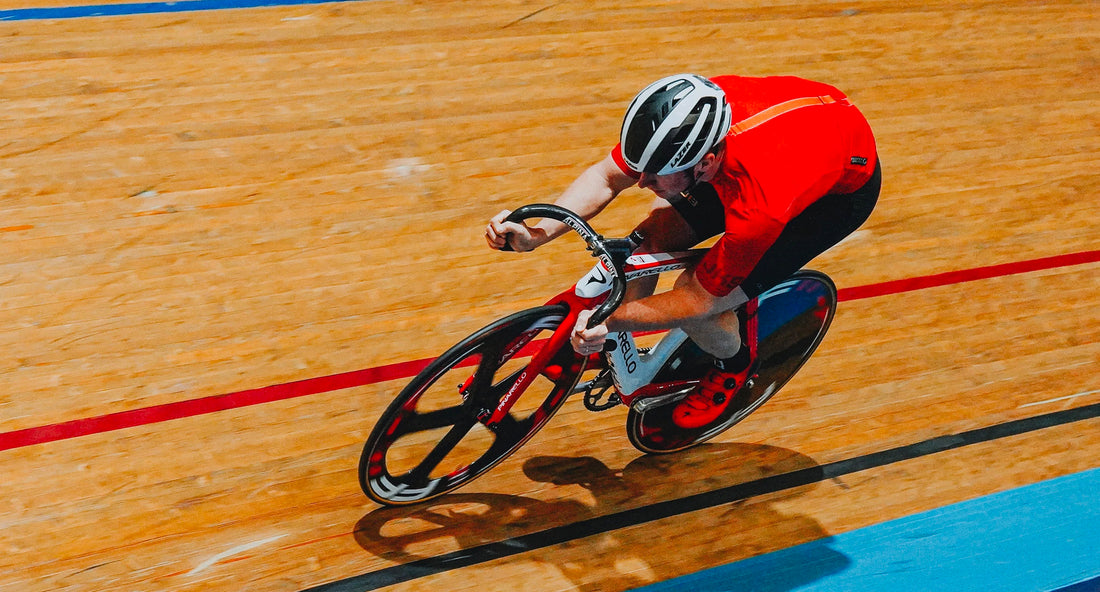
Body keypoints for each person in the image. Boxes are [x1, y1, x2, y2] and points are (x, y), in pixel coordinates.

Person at [486, 73, 881, 429]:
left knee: (696, 290)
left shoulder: (760, 205)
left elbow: (698, 301)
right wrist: (537, 234)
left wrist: (613, 319)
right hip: (793, 141)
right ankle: (617, 348)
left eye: (654, 177)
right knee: (648, 240)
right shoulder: (680, 123)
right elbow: (606, 178)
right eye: (640, 169)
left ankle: (734, 366)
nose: (641, 183)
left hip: (830, 199)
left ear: (705, 163)